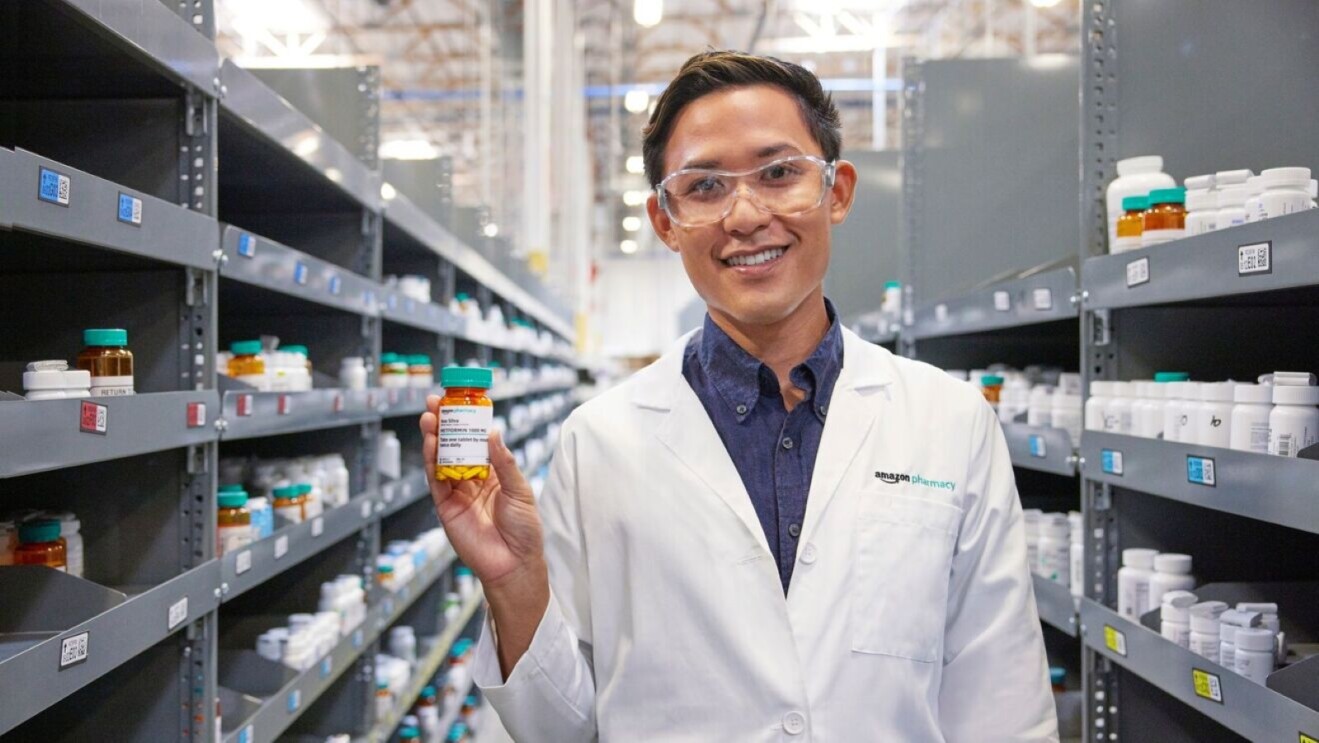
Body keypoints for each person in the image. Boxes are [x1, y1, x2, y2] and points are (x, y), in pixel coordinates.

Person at [421, 50, 1058, 741]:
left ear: (835, 191)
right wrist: (514, 583)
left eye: (779, 173)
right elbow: (559, 729)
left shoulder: (948, 421)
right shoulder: (599, 440)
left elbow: (1002, 702)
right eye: (703, 187)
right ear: (665, 220)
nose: (746, 214)